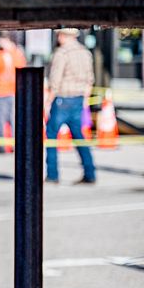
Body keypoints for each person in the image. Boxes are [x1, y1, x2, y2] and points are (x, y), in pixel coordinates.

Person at [45, 28, 95, 185]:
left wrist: (48, 102)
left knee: (51, 136)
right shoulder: (85, 53)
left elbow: (55, 80)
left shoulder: (62, 53)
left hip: (62, 98)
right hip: (78, 99)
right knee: (79, 137)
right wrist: (85, 99)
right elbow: (90, 79)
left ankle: (52, 174)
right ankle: (90, 172)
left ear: (63, 35)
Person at [0, 32, 26, 153]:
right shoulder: (16, 54)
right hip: (10, 91)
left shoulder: (6, 54)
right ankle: (9, 145)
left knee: (2, 119)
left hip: (6, 91)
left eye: (1, 40)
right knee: (9, 119)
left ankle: (3, 146)